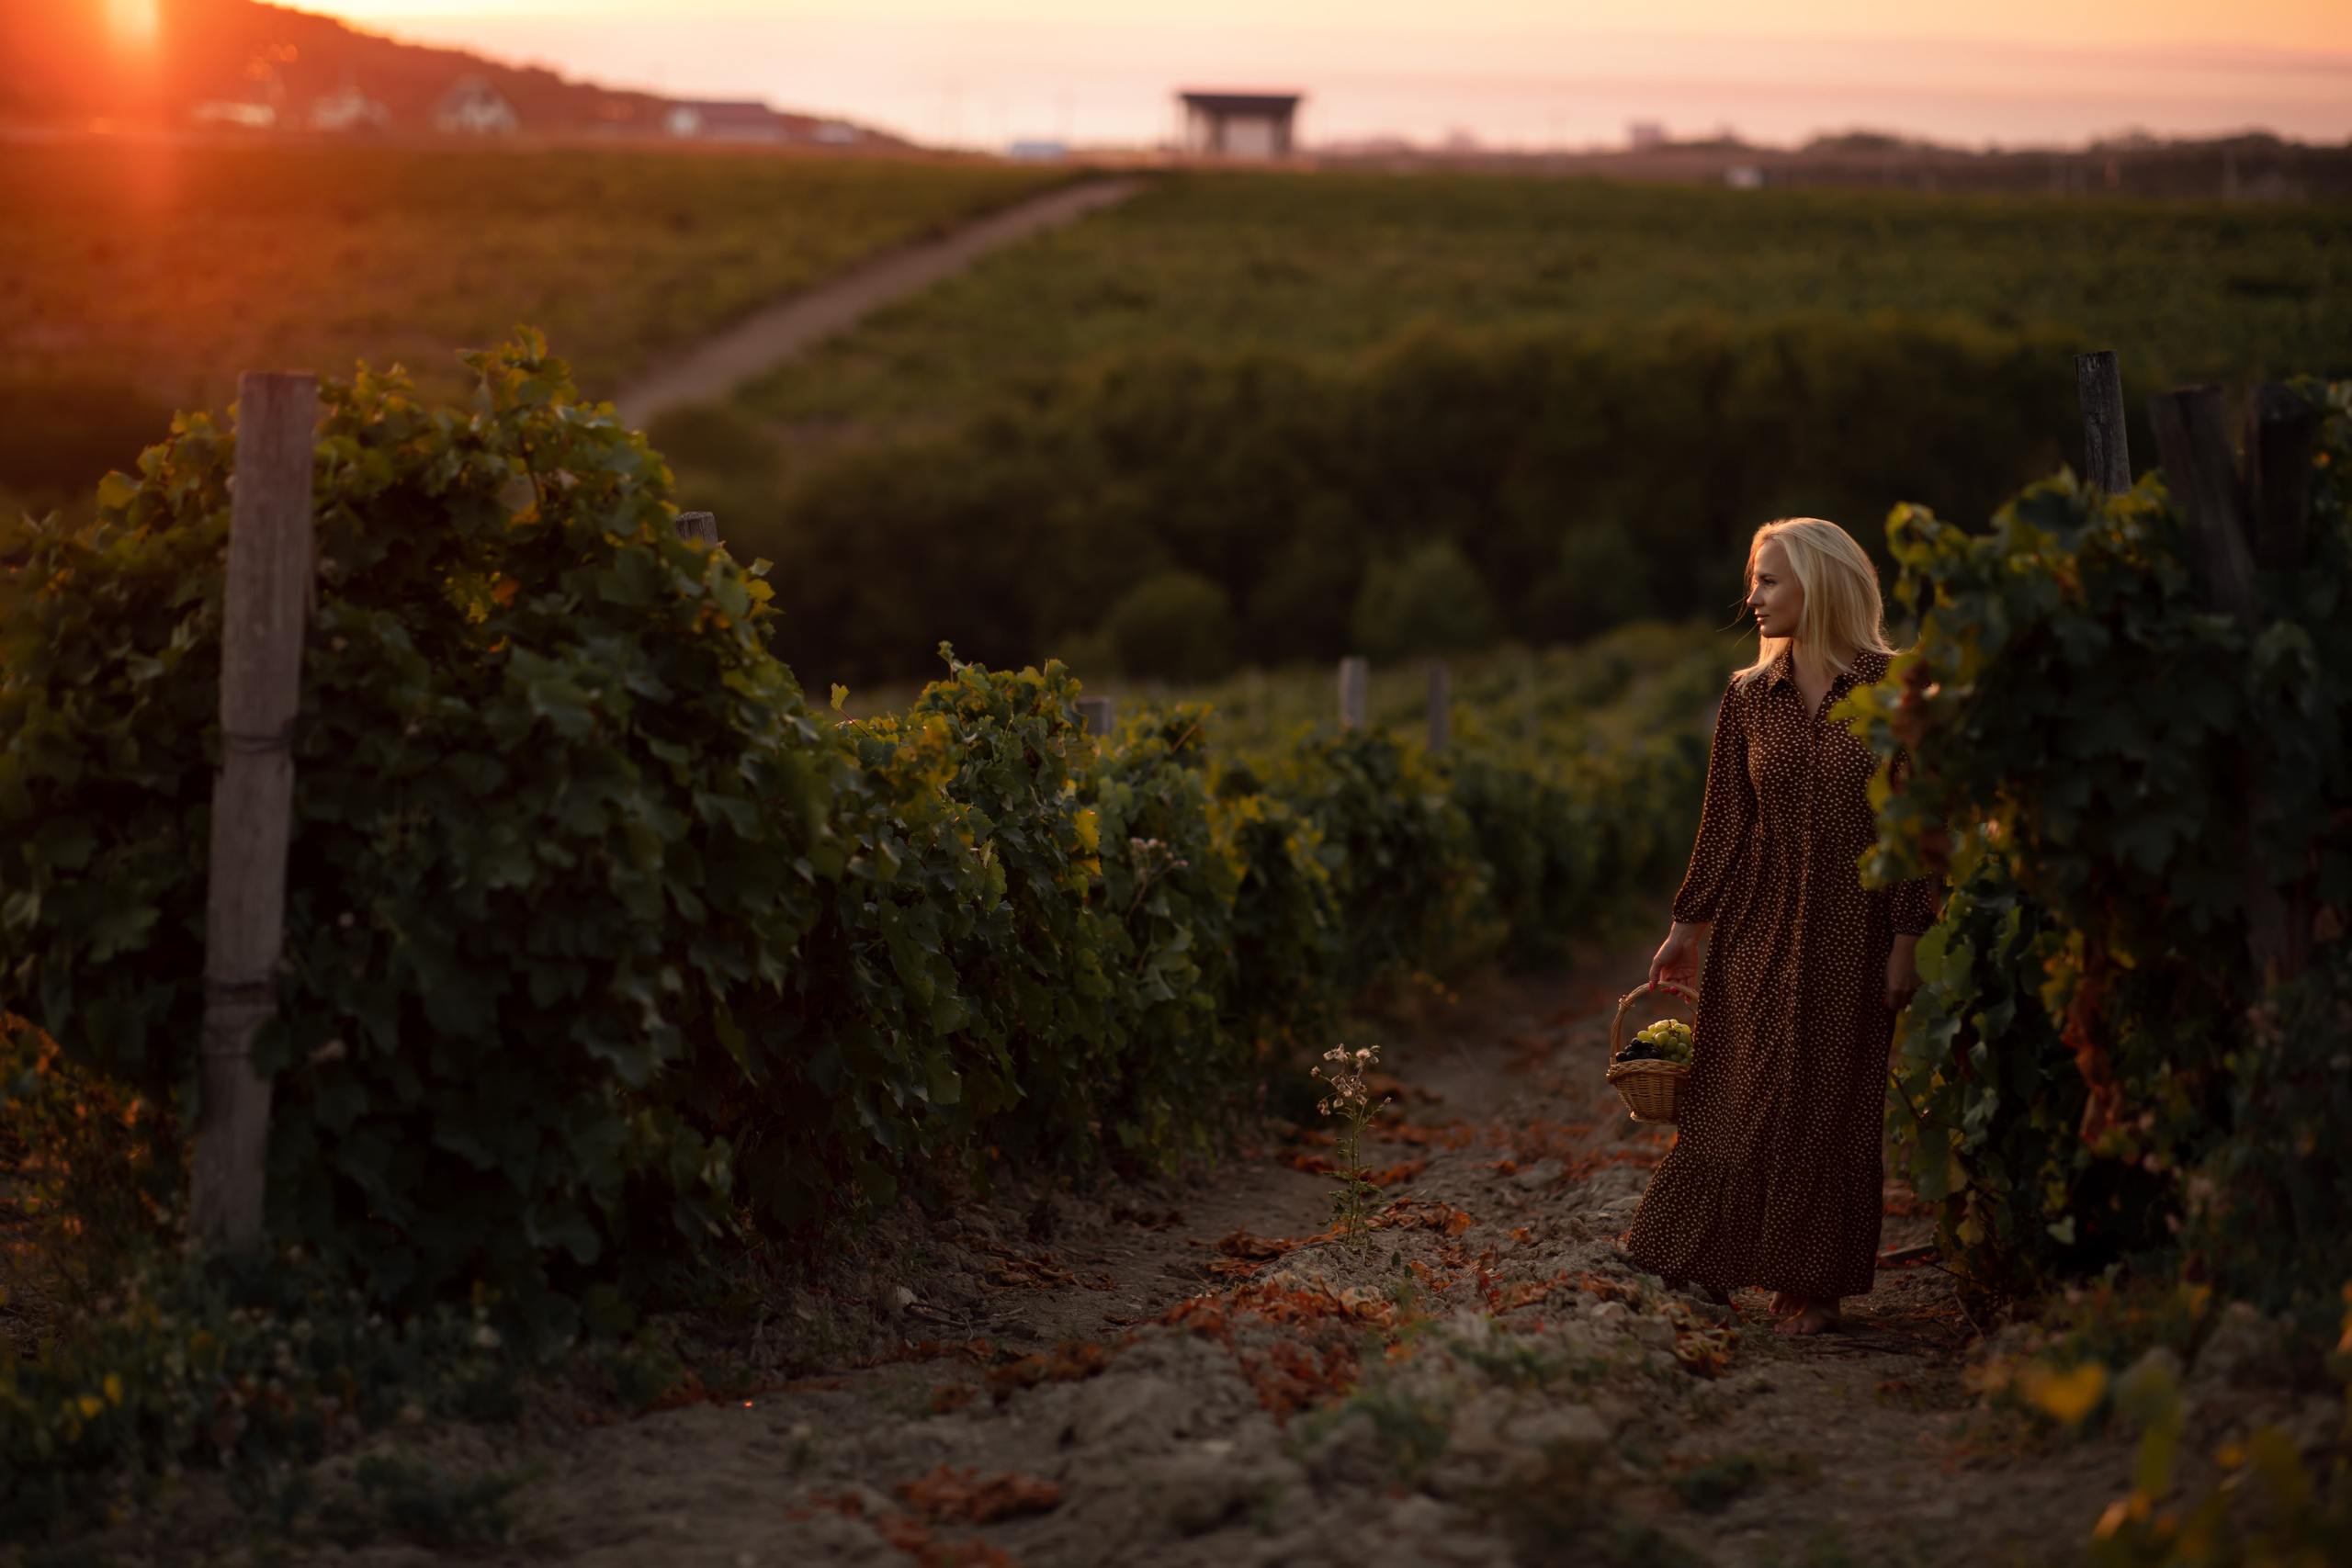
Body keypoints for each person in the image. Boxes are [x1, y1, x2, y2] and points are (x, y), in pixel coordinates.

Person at [1621, 517, 1939, 1337]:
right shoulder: (1745, 696)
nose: (1752, 597)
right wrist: (1686, 926)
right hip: (1758, 921)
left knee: (1830, 1097)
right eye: (1754, 580)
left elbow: (1915, 822)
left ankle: (1815, 1284)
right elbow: (1725, 820)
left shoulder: (1892, 690)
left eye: (1769, 580)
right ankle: (1703, 1255)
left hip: (1854, 921)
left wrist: (1908, 935)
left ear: (1821, 584)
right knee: (1734, 1088)